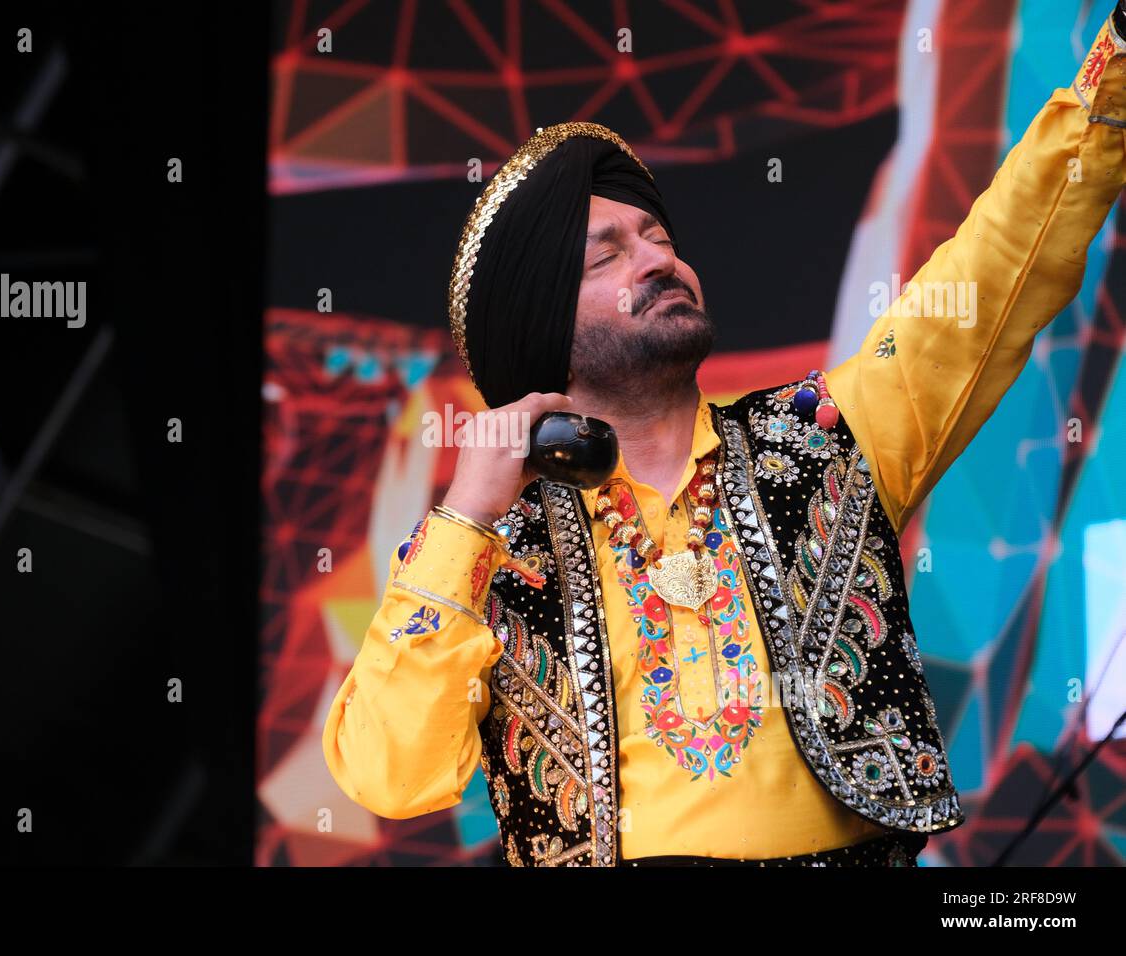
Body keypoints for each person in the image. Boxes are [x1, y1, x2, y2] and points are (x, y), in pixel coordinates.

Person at [322, 7, 1126, 867]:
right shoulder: (485, 548)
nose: (657, 260)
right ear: (539, 325)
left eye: (658, 237)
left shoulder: (826, 436)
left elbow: (995, 263)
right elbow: (388, 774)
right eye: (606, 257)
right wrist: (466, 519)